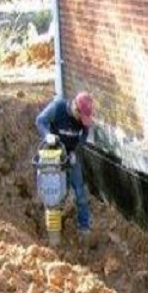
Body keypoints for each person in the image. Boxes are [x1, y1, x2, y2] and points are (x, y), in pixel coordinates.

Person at [35, 91, 95, 240]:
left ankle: (84, 227)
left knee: (80, 192)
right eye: (80, 117)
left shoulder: (83, 120)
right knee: (56, 190)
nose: (82, 121)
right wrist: (47, 134)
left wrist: (76, 150)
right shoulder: (58, 107)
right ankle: (55, 224)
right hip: (55, 154)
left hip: (71, 155)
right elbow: (40, 120)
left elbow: (84, 135)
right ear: (75, 108)